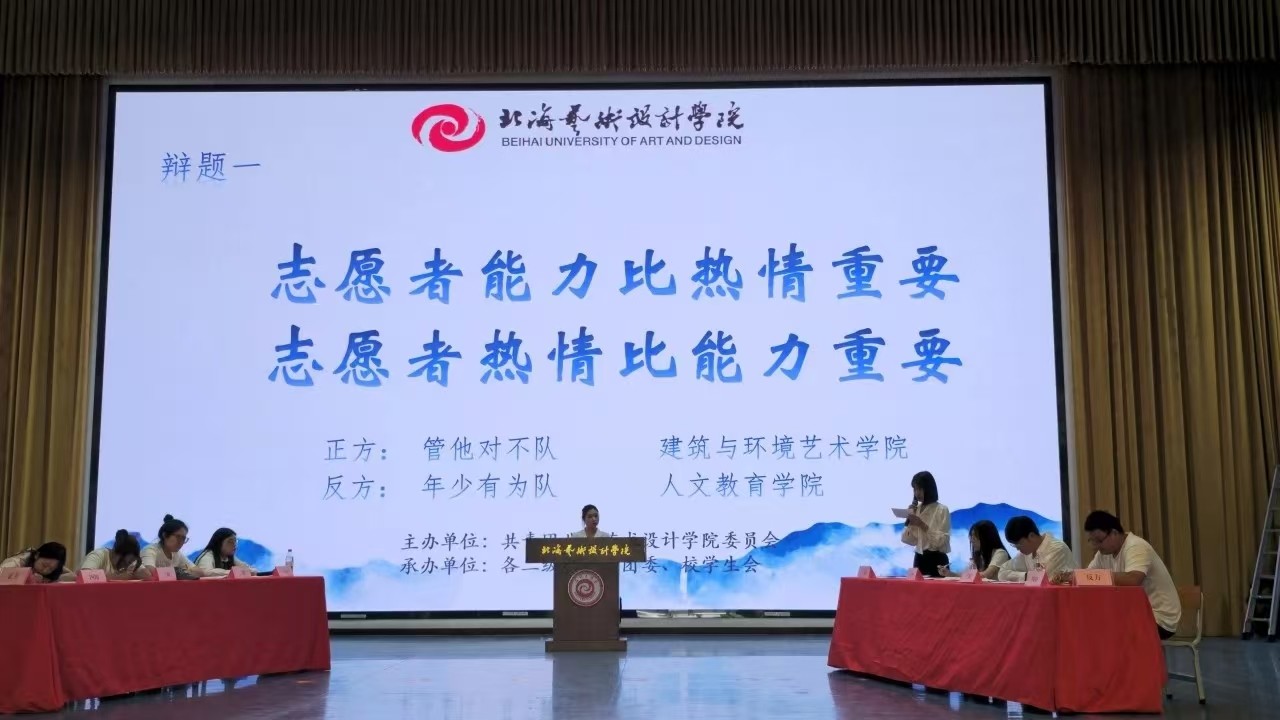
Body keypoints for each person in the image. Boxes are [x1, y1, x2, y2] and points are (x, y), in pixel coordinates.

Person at [1080, 510, 1181, 639]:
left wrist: (1094, 577)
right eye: (1092, 541)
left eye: (1099, 540)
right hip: (1135, 612)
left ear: (1114, 533)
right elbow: (1087, 576)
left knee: (1101, 628)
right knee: (1090, 620)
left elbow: (1133, 579)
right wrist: (1072, 576)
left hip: (1159, 617)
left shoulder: (1136, 546)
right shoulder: (1103, 554)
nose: (1095, 546)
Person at [900, 471, 950, 577]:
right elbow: (907, 540)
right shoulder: (916, 509)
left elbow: (941, 541)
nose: (917, 493)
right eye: (914, 489)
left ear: (929, 488)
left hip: (937, 559)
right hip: (919, 558)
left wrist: (922, 525)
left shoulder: (942, 509)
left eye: (920, 489)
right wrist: (909, 520)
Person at [998, 515, 1076, 582]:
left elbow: (1044, 580)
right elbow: (1002, 572)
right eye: (1015, 546)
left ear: (1031, 536)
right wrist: (1026, 576)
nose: (1018, 549)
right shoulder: (1027, 552)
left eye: (1019, 545)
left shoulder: (1056, 549)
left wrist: (1031, 577)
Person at [939, 520, 1010, 579]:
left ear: (987, 538)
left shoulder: (1000, 553)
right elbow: (966, 574)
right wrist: (950, 573)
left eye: (975, 536)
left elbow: (987, 575)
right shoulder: (979, 556)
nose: (971, 540)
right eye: (971, 536)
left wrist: (965, 575)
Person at [140, 515, 207, 576]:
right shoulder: (150, 550)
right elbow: (150, 572)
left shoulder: (177, 554)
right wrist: (177, 572)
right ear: (165, 535)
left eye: (183, 538)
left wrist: (178, 572)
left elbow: (200, 572)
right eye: (178, 537)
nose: (181, 542)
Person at [81, 530, 152, 580]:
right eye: (124, 562)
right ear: (116, 553)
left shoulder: (130, 563)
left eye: (129, 563)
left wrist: (136, 573)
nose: (125, 566)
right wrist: (119, 577)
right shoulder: (99, 555)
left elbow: (148, 575)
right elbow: (84, 575)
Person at [0, 542, 73, 582]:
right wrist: (28, 578)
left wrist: (48, 580)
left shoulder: (52, 564)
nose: (45, 570)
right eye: (44, 565)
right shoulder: (15, 562)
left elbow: (72, 576)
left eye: (51, 569)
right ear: (37, 555)